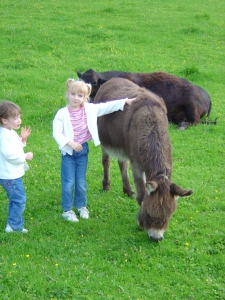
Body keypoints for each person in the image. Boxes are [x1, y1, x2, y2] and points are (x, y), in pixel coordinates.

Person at [53, 79, 135, 222]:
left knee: (80, 181)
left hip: (82, 151)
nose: (76, 98)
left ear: (85, 98)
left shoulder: (89, 109)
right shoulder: (62, 113)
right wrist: (69, 143)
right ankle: (67, 210)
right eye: (73, 94)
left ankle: (81, 206)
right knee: (68, 182)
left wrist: (125, 102)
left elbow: (106, 107)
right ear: (67, 94)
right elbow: (57, 133)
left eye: (80, 95)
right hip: (68, 152)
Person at [0, 100, 33, 233]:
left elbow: (14, 146)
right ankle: (14, 226)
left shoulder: (9, 132)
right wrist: (25, 156)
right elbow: (10, 155)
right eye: (15, 118)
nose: (19, 120)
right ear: (4, 120)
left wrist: (22, 139)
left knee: (15, 199)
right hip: (10, 176)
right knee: (19, 199)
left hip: (10, 174)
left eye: (19, 116)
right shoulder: (5, 136)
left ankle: (13, 223)